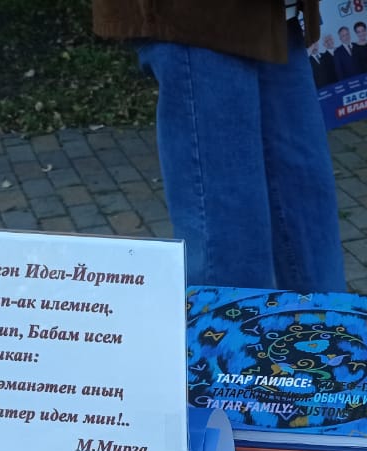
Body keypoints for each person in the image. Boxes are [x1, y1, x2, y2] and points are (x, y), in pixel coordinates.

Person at [92, 0, 346, 293]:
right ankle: (228, 323)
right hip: (199, 20)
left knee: (309, 219)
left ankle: (324, 323)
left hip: (277, 19)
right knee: (229, 250)